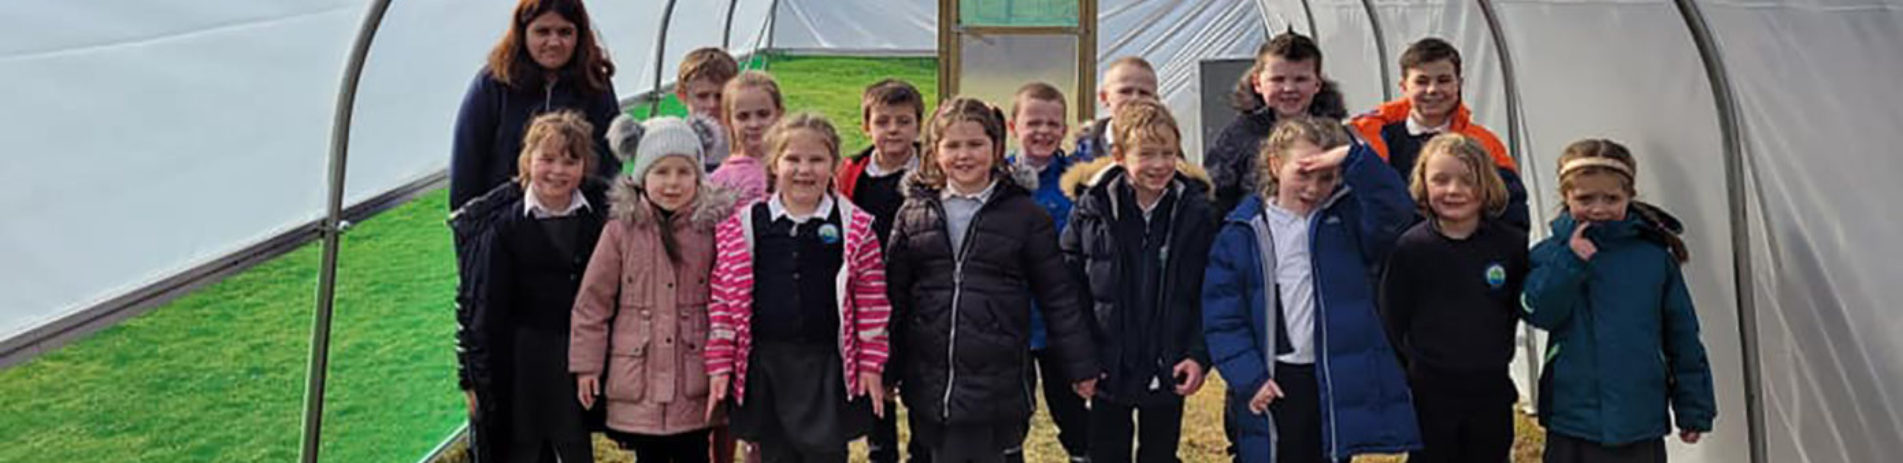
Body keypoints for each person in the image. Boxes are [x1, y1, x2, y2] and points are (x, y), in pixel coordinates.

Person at [884, 97, 1100, 463]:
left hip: (998, 379)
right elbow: (895, 295)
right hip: (931, 376)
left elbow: (1058, 297)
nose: (964, 155)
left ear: (996, 148)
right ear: (935, 151)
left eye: (975, 144)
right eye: (952, 145)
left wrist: (1080, 365)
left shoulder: (1026, 216)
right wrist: (888, 366)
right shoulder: (914, 213)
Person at [1201, 117, 1421, 463]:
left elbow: (1395, 212)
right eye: (1303, 173)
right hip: (1272, 376)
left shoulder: (1347, 222)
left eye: (1327, 177)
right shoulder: (1241, 232)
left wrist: (1354, 157)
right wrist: (1249, 377)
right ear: (1275, 164)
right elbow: (1223, 316)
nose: (1314, 188)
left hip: (1331, 372)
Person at [705, 113, 892, 462]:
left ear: (834, 165)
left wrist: (870, 365)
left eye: (816, 160)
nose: (804, 169)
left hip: (825, 366)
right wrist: (720, 365)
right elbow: (723, 302)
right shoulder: (744, 226)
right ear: (774, 164)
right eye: (793, 159)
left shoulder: (855, 228)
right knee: (774, 454)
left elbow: (872, 301)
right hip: (768, 366)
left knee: (826, 453)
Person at [1524, 139, 1715, 463]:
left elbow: (1682, 336)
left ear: (1629, 196)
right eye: (1585, 198)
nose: (1599, 208)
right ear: (1565, 197)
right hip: (1573, 417)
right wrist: (1571, 262)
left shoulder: (1653, 259)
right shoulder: (1550, 255)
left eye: (1611, 198)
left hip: (1638, 417)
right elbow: (1539, 312)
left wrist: (1693, 407)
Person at [569, 115, 737, 462]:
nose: (672, 183)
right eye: (661, 172)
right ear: (642, 175)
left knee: (693, 453)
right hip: (638, 379)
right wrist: (587, 366)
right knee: (649, 457)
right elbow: (593, 303)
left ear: (698, 176)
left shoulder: (713, 230)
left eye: (683, 171)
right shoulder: (620, 231)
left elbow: (730, 297)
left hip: (694, 379)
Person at [1058, 99, 1215, 463]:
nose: (1159, 164)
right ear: (1118, 155)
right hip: (1107, 365)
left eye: (1167, 153)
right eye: (1146, 154)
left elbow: (1208, 293)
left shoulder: (1196, 213)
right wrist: (1081, 361)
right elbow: (1069, 291)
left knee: (1160, 453)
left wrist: (1197, 356)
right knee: (1107, 451)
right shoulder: (1091, 210)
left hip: (1168, 362)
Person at [455, 111, 608, 462]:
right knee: (522, 442)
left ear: (584, 167)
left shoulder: (598, 219)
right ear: (527, 161)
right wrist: (470, 377)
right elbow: (473, 304)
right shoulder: (500, 227)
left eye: (570, 161)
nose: (557, 171)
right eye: (547, 159)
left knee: (573, 439)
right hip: (522, 353)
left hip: (574, 350)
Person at [1378, 134, 1527, 463]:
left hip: (1490, 387)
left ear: (1486, 184)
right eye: (1440, 180)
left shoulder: (1510, 245)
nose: (1453, 190)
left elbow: (1515, 306)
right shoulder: (1410, 248)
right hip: (1429, 390)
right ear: (1423, 184)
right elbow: (1393, 317)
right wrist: (1417, 364)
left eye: (1467, 180)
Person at [828, 77, 928, 463]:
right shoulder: (853, 172)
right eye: (883, 121)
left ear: (918, 125)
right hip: (871, 298)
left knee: (919, 387)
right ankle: (880, 451)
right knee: (876, 387)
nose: (893, 130)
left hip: (919, 296)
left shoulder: (932, 171)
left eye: (903, 121)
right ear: (866, 125)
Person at [450, 0, 620, 211]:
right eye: (542, 32)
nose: (554, 42)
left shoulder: (594, 83)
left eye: (565, 32)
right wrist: (469, 232)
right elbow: (468, 165)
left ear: (580, 35)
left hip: (578, 223)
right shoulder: (493, 84)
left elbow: (609, 161)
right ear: (523, 34)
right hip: (504, 224)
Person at [1347, 37, 1528, 230]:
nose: (1432, 90)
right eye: (1422, 81)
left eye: (1443, 80)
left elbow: (1510, 207)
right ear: (1404, 87)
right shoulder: (1376, 141)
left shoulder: (1484, 143)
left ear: (1459, 84)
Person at [1003, 81, 1088, 463]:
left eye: (1054, 123)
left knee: (1073, 414)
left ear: (1065, 129)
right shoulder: (996, 178)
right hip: (1008, 319)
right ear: (1012, 126)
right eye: (1033, 122)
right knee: (1009, 415)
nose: (1044, 131)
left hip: (1060, 320)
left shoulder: (1079, 180)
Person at [1204, 31, 1348, 218]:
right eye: (1278, 80)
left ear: (1317, 84)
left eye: (1300, 79)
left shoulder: (1338, 137)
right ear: (1257, 83)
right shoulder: (1239, 136)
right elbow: (1215, 196)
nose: (1289, 89)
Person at [711, 71, 786, 206]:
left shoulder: (795, 166)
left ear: (779, 114)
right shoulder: (720, 180)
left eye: (763, 114)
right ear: (728, 121)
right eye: (743, 117)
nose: (754, 124)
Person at [1072, 57, 1160, 163]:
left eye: (1144, 93)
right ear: (1104, 98)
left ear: (1156, 101)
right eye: (1125, 91)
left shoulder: (1168, 150)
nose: (1135, 99)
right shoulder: (1079, 150)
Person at [675, 47, 741, 171]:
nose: (712, 104)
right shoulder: (675, 141)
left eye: (719, 96)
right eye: (702, 96)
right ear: (682, 95)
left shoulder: (743, 140)